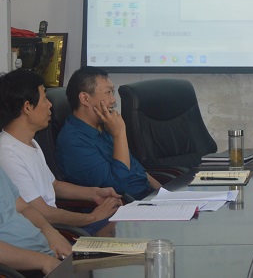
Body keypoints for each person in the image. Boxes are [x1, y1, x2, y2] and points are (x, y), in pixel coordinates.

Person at [0, 69, 122, 235]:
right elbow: (43, 213)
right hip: (50, 233)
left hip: (60, 226)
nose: (50, 105)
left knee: (123, 219)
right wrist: (92, 217)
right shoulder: (7, 153)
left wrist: (95, 193)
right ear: (27, 107)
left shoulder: (31, 142)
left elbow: (54, 185)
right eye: (44, 98)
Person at [56, 66, 160, 199]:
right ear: (85, 99)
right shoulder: (73, 142)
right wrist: (119, 134)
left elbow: (137, 170)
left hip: (148, 197)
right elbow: (118, 186)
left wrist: (164, 193)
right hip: (126, 205)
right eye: (108, 92)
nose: (113, 100)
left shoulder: (105, 126)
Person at [0, 165, 71, 275]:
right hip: (19, 269)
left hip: (49, 252)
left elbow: (23, 208)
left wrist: (51, 233)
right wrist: (45, 262)